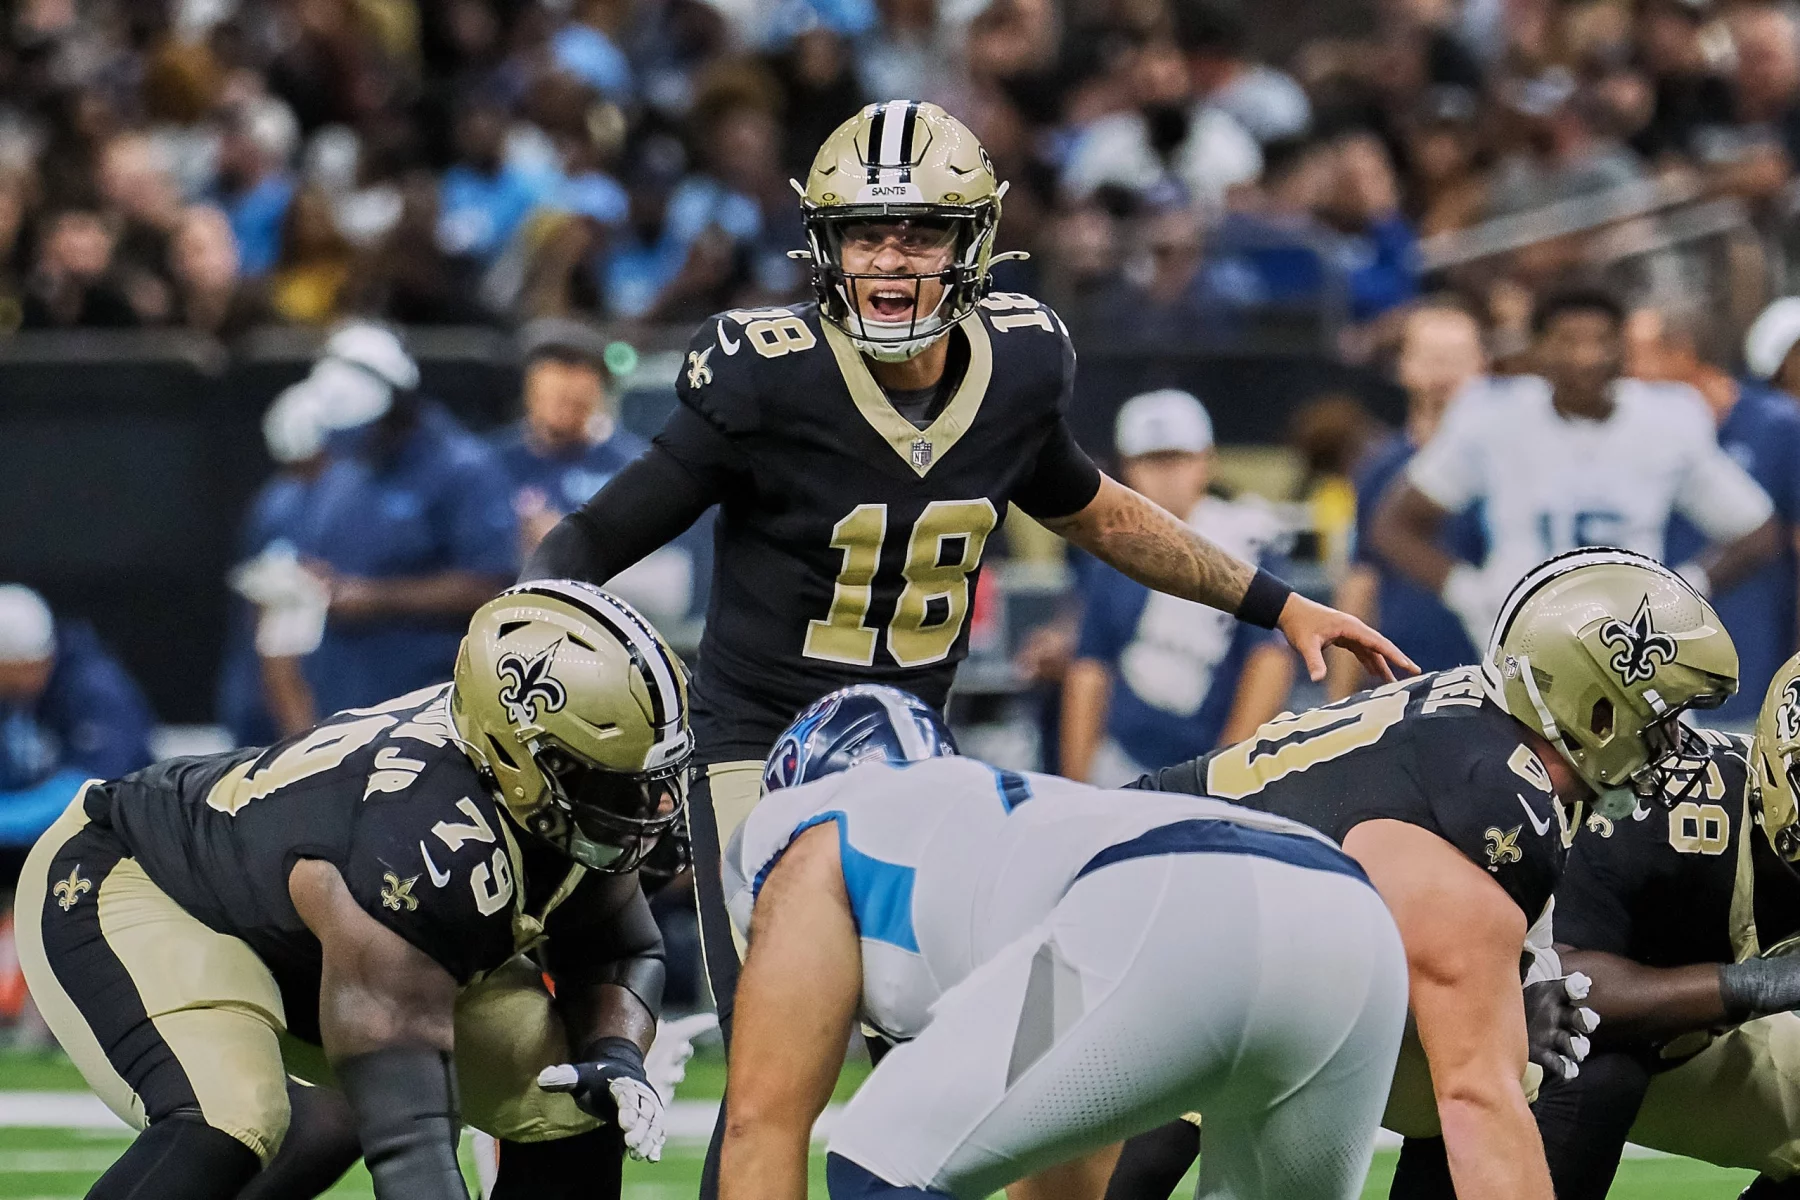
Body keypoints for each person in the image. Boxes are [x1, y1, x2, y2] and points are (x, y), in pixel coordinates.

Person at [522, 100, 1414, 1197]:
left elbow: (1098, 511)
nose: (890, 261)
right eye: (865, 234)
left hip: (917, 762)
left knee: (971, 1057)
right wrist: (526, 656)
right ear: (825, 245)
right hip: (762, 752)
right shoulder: (767, 376)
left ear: (975, 242)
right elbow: (588, 540)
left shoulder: (1020, 366)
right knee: (772, 1067)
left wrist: (1275, 604)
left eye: (921, 234)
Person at [16, 581, 685, 1200]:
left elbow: (619, 949)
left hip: (318, 937)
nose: (646, 804)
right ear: (517, 754)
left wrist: (615, 1055)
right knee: (232, 1117)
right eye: (608, 778)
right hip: (146, 885)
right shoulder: (414, 844)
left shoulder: (532, 789)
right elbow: (411, 1149)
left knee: (571, 1096)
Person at [1110, 548, 1740, 1200]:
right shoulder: (1498, 798)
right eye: (1661, 716)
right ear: (1598, 707)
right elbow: (1477, 1099)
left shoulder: (1488, 728)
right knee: (1492, 1073)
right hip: (1149, 911)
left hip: (1201, 907)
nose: (1674, 743)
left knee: (1504, 1052)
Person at [722, 684, 1408, 1200]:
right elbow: (1061, 1154)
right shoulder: (1008, 849)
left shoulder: (807, 837)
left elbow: (761, 1126)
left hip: (1166, 894)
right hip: (1348, 913)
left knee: (877, 1157)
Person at [1501, 651, 1800, 1200]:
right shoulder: (1671, 807)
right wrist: (1755, 985)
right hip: (1518, 1030)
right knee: (1592, 1065)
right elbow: (1550, 981)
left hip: (1692, 1043)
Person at [1369, 285, 1780, 652]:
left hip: (1629, 648)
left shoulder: (1667, 419)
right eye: (1568, 341)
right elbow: (1395, 523)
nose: (1587, 357)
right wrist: (1470, 593)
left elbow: (1756, 531)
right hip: (1524, 649)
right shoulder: (1494, 417)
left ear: (1623, 347)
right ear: (1536, 349)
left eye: (1601, 341)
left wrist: (1682, 589)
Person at [1062, 390, 1293, 783]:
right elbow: (1090, 667)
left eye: (1178, 458)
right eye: (1151, 460)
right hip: (1123, 759)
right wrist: (1077, 782)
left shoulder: (1245, 542)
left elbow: (1268, 660)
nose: (1166, 474)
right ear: (1127, 467)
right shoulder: (1107, 551)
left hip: (1215, 762)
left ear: (1207, 461)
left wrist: (1228, 768)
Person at [294, 323, 516, 719]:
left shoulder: (464, 469)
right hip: (342, 701)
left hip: (426, 709)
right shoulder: (345, 467)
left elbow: (491, 586)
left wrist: (375, 599)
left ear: (397, 410)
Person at [1633, 305, 1800, 725]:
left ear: (1680, 352)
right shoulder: (1628, 431)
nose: (1624, 373)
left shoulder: (1778, 424)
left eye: (1634, 356)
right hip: (1656, 656)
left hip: (1755, 650)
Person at [490, 318, 703, 627]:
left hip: (606, 636)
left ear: (600, 389)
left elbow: (672, 591)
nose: (563, 382)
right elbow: (471, 569)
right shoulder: (492, 461)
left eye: (576, 370)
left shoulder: (641, 466)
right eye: (552, 371)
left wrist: (566, 551)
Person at [1329, 301, 1489, 699]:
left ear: (1482, 366)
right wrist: (1338, 701)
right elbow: (1361, 580)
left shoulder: (1507, 466)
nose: (1444, 374)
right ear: (1404, 366)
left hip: (1492, 672)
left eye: (1457, 359)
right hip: (1400, 680)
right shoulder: (1379, 467)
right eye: (1432, 358)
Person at [0, 585, 153, 885]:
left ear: (30, 661)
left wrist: (7, 817)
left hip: (112, 848)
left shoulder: (96, 690)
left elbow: (93, 789)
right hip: (29, 851)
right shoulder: (13, 695)